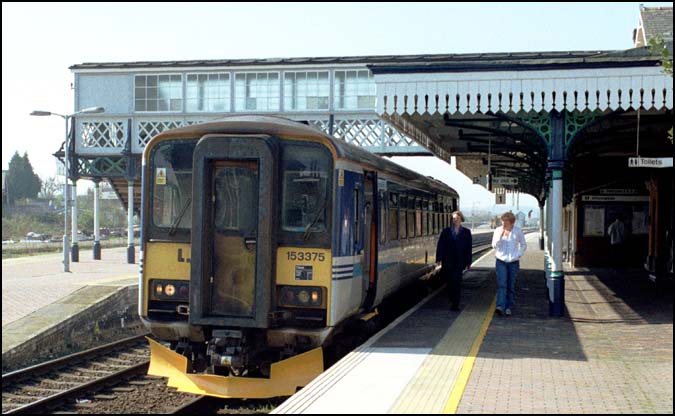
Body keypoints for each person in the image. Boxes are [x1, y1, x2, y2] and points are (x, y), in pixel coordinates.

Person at [491, 211, 527, 316]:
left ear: (511, 221)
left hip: (513, 262)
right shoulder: (498, 231)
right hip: (501, 261)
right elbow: (494, 245)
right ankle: (500, 306)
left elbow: (523, 245)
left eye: (505, 220)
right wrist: (500, 236)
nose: (503, 222)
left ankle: (508, 307)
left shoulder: (518, 231)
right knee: (502, 284)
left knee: (511, 285)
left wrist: (518, 254)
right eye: (502, 220)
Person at [436, 211, 473, 311]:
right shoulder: (446, 232)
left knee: (457, 282)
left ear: (461, 219)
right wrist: (439, 258)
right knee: (449, 282)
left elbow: (468, 248)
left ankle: (455, 304)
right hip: (447, 260)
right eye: (453, 218)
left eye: (457, 218)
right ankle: (452, 299)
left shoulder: (466, 232)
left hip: (460, 261)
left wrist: (469, 261)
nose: (455, 220)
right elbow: (441, 245)